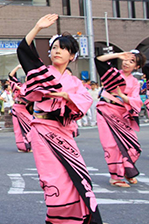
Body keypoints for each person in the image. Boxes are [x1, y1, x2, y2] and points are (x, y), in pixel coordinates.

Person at [17, 14, 102, 224]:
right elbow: (25, 52)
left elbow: (83, 102)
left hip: (63, 131)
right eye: (54, 47)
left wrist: (66, 96)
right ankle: (59, 218)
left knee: (77, 174)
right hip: (42, 129)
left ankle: (79, 217)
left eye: (62, 48)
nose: (56, 51)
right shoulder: (42, 73)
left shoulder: (74, 82)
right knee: (52, 175)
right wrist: (37, 26)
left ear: (72, 55)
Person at [95, 50, 146, 188]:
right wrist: (118, 55)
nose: (126, 63)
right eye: (126, 60)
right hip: (105, 110)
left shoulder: (135, 82)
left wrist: (125, 98)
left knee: (134, 147)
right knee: (111, 145)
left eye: (131, 61)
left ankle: (127, 171)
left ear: (137, 66)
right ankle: (115, 177)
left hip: (121, 114)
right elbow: (99, 60)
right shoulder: (114, 74)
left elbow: (136, 101)